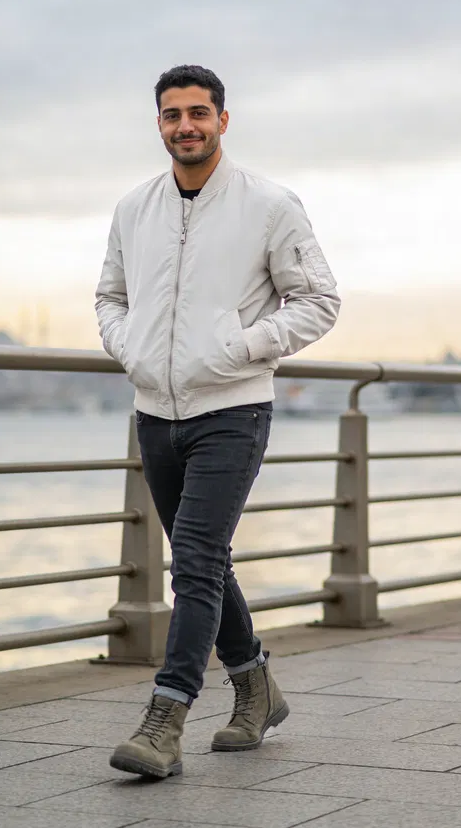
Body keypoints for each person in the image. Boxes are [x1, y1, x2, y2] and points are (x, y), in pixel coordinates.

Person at [95, 64, 340, 779]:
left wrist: (241, 347)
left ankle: (165, 719)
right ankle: (256, 688)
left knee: (195, 561)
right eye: (173, 115)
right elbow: (110, 296)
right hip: (155, 413)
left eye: (199, 113)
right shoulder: (132, 208)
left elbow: (319, 300)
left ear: (222, 120)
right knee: (205, 560)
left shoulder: (269, 204)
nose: (186, 126)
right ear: (159, 124)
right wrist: (131, 349)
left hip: (233, 409)